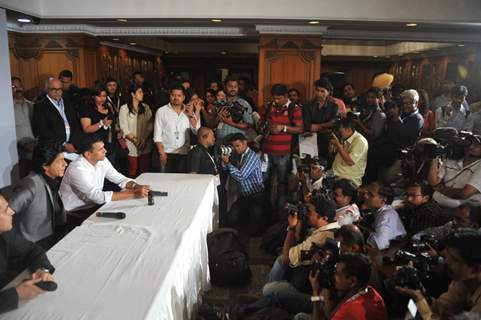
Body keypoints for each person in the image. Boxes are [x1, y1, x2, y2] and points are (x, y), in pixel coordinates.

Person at [59, 134, 150, 223]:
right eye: (100, 149)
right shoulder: (77, 169)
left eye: (104, 147)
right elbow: (96, 196)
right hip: (73, 212)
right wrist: (134, 194)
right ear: (88, 154)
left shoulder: (102, 160)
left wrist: (136, 186)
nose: (105, 151)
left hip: (93, 206)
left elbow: (119, 178)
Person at [397, 228, 481, 319]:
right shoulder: (463, 281)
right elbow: (439, 308)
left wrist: (420, 299)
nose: (445, 261)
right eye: (447, 253)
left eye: (454, 258)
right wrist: (417, 286)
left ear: (475, 270)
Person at [264, 194, 338, 287]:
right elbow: (298, 239)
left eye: (310, 212)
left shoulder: (321, 236)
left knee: (280, 260)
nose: (307, 214)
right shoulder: (332, 226)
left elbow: (287, 259)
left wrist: (291, 228)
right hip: (306, 272)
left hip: (308, 283)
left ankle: (268, 291)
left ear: (324, 217)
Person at [0, 194, 56, 314]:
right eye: (5, 210)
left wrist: (42, 270)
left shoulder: (5, 233)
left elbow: (32, 250)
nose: (11, 212)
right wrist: (17, 294)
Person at [8, 143, 67, 249]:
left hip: (52, 239)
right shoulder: (30, 185)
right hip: (33, 247)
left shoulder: (53, 180)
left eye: (64, 159)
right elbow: (6, 213)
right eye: (60, 161)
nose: (65, 164)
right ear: (45, 165)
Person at [262, 84, 303, 212]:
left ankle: (280, 213)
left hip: (284, 153)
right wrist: (265, 126)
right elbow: (261, 123)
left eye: (279, 98)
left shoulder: (294, 108)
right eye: (274, 98)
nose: (276, 101)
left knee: (282, 184)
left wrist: (283, 128)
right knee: (265, 183)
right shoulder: (269, 106)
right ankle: (266, 211)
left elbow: (300, 129)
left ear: (286, 97)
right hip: (267, 152)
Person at [309, 253, 388, 320]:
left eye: (336, 273)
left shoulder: (350, 310)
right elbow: (331, 315)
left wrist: (315, 292)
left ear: (352, 281)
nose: (333, 276)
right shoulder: (370, 291)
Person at [220, 133, 265, 235]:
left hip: (256, 196)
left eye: (237, 146)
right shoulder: (237, 155)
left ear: (245, 143)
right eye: (234, 146)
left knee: (254, 228)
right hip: (244, 195)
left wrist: (228, 163)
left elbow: (241, 176)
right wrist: (224, 162)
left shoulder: (251, 157)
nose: (235, 149)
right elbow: (226, 169)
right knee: (232, 217)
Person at [154, 85, 200, 173]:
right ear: (170, 96)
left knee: (182, 183)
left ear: (183, 97)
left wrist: (190, 115)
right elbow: (157, 135)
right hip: (167, 153)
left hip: (184, 153)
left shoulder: (189, 111)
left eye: (179, 96)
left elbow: (196, 130)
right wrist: (161, 153)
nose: (176, 98)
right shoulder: (161, 111)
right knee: (166, 182)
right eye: (173, 95)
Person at [32, 78, 81, 161]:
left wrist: (73, 143)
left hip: (72, 146)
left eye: (59, 89)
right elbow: (43, 130)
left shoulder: (68, 102)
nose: (57, 92)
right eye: (53, 89)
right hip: (53, 149)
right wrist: (63, 145)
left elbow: (75, 124)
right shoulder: (40, 106)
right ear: (46, 89)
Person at [428, 134, 481, 208]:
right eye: (469, 143)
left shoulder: (479, 166)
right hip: (436, 204)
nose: (471, 147)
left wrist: (441, 189)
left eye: (476, 145)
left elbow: (464, 193)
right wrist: (434, 157)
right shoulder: (453, 159)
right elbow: (434, 182)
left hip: (458, 211)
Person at [119, 84, 154, 177]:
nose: (142, 94)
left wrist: (143, 140)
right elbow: (124, 128)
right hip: (131, 143)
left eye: (142, 92)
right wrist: (136, 141)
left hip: (145, 143)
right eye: (140, 92)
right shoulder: (124, 108)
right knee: (132, 170)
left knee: (145, 170)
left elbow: (150, 125)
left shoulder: (146, 107)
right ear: (132, 94)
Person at [303, 78, 339, 161]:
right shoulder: (308, 105)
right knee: (310, 163)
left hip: (326, 140)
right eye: (317, 90)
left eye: (322, 91)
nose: (319, 93)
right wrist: (325, 126)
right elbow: (307, 124)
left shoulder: (334, 106)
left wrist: (319, 126)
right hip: (310, 138)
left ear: (328, 92)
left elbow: (334, 123)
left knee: (326, 163)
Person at [79, 86, 116, 163]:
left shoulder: (108, 106)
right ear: (93, 96)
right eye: (99, 96)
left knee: (111, 170)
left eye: (104, 96)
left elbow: (113, 121)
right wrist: (101, 123)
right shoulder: (86, 108)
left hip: (110, 144)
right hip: (96, 147)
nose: (102, 98)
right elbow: (86, 129)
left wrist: (118, 130)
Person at [365, 182, 406, 250]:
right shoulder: (381, 212)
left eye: (370, 195)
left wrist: (366, 233)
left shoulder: (387, 215)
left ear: (383, 199)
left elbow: (380, 245)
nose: (365, 196)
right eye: (366, 193)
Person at [214, 75, 254, 145]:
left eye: (235, 87)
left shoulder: (244, 104)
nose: (233, 89)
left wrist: (231, 123)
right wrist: (218, 118)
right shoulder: (218, 103)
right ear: (225, 87)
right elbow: (210, 124)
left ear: (238, 88)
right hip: (220, 143)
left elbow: (249, 125)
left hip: (236, 144)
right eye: (230, 86)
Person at [331, 117, 368, 187]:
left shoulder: (360, 142)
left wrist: (338, 146)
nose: (339, 133)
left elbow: (350, 161)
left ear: (349, 130)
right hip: (337, 174)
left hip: (348, 180)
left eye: (341, 131)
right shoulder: (345, 137)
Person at [413, 204, 481, 242]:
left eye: (460, 220)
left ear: (474, 226)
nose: (454, 221)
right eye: (455, 217)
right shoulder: (450, 226)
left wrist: (438, 257)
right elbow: (426, 232)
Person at [11, 77, 35, 177]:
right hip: (18, 150)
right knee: (21, 178)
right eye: (13, 86)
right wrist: (22, 144)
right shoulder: (8, 108)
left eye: (19, 86)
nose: (18, 89)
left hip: (35, 147)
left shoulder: (32, 106)